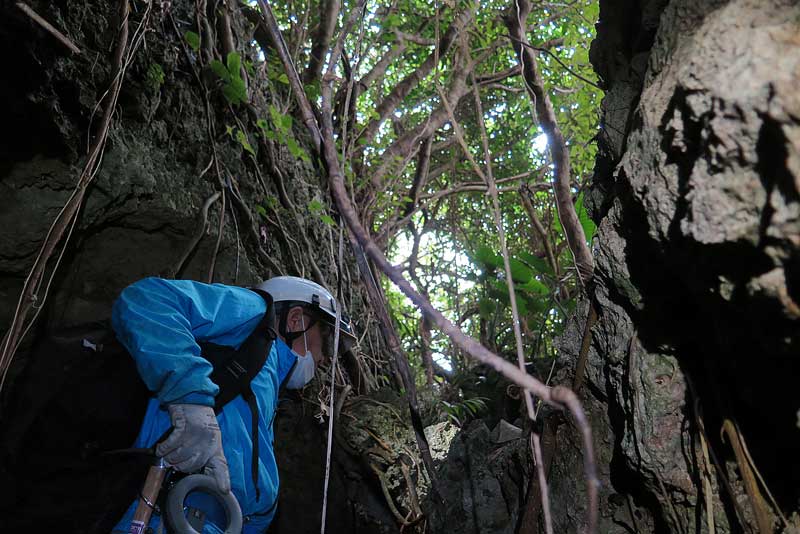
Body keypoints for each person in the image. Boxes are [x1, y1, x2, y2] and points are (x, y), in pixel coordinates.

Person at [110, 275, 355, 533]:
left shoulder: (270, 392)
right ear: (295, 320)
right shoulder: (255, 315)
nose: (329, 359)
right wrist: (191, 398)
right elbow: (149, 299)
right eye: (329, 341)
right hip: (153, 514)